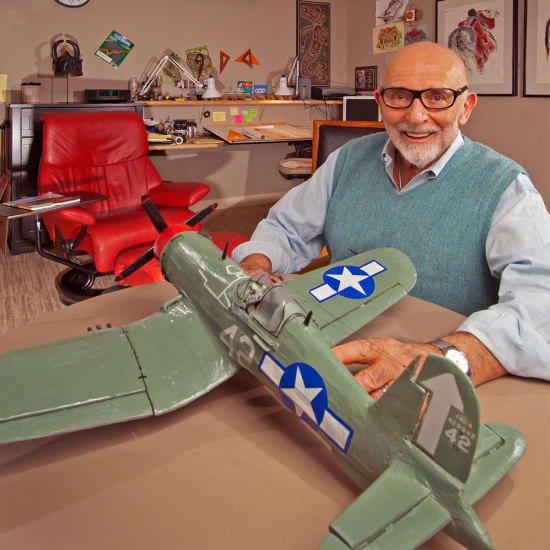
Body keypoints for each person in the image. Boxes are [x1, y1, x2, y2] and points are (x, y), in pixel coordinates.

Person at [232, 42, 550, 398]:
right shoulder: (346, 160)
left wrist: (441, 359)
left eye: (438, 97)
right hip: (333, 359)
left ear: (466, 107)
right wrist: (256, 263)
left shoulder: (507, 189)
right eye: (400, 96)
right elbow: (285, 228)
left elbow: (541, 304)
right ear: (381, 102)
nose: (415, 116)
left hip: (440, 380)